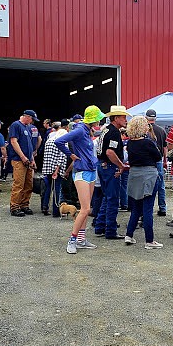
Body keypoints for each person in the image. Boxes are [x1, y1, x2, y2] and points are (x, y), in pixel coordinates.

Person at [55, 105, 106, 254]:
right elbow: (59, 141)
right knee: (84, 209)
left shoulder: (85, 130)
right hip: (82, 172)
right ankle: (72, 240)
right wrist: (70, 154)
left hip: (89, 171)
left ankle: (81, 240)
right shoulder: (79, 130)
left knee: (87, 208)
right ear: (93, 119)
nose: (99, 122)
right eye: (98, 119)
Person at [123, 116, 164, 249]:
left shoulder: (130, 143)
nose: (148, 127)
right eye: (146, 125)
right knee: (148, 209)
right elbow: (158, 157)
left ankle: (129, 234)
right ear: (142, 127)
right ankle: (149, 240)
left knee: (136, 208)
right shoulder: (148, 143)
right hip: (148, 176)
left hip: (134, 175)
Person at [94, 105, 131, 240]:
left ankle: (100, 226)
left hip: (102, 165)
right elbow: (110, 152)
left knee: (107, 197)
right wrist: (121, 166)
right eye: (123, 117)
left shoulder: (106, 130)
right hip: (110, 167)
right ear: (116, 118)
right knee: (113, 199)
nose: (125, 119)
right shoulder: (114, 132)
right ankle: (110, 230)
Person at [9, 110, 40, 217]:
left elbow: (30, 146)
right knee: (19, 184)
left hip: (27, 160)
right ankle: (15, 206)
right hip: (18, 160)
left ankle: (24, 204)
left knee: (28, 184)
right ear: (27, 117)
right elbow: (14, 141)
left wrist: (32, 159)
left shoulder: (27, 127)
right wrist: (23, 157)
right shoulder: (16, 125)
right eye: (32, 119)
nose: (32, 122)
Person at [145, 109, 168, 217]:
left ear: (146, 117)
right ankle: (162, 208)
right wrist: (165, 160)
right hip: (158, 159)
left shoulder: (144, 130)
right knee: (161, 184)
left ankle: (146, 209)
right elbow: (165, 147)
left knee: (147, 184)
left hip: (147, 161)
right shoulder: (161, 130)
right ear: (155, 118)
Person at [41, 122, 67, 216]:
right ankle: (56, 212)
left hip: (47, 168)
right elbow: (61, 158)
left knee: (48, 188)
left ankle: (45, 207)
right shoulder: (62, 142)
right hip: (57, 170)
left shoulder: (49, 141)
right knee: (57, 190)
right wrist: (56, 171)